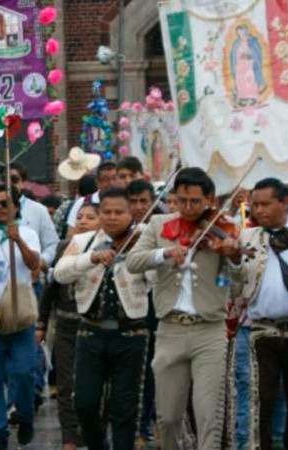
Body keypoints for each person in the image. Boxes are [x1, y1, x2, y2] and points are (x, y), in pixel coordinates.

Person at [125, 168, 235, 450]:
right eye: (182, 200)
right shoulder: (159, 224)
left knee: (207, 412)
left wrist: (233, 255)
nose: (187, 208)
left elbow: (241, 278)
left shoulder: (225, 227)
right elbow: (133, 261)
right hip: (170, 328)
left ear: (209, 199)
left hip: (209, 329)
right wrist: (164, 254)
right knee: (168, 415)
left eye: (195, 202)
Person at [54, 188, 150, 450]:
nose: (112, 217)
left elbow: (156, 279)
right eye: (106, 212)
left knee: (125, 406)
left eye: (119, 212)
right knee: (84, 402)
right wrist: (91, 258)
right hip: (90, 333)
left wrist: (143, 255)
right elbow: (60, 273)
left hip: (130, 334)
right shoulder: (84, 241)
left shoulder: (143, 240)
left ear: (131, 213)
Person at [226, 178, 288, 450]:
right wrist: (232, 259)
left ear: (285, 202)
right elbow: (236, 285)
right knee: (256, 402)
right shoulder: (245, 237)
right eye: (255, 205)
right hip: (257, 330)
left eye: (266, 204)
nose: (259, 211)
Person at [0, 184, 41, 450]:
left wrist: (19, 242)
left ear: (16, 206)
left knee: (25, 372)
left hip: (19, 315)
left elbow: (35, 264)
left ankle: (25, 416)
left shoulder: (27, 232)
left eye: (5, 203)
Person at [37, 202, 100, 450]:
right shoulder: (65, 248)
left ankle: (91, 431)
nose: (83, 221)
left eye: (90, 217)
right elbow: (50, 290)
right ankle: (69, 438)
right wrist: (41, 323)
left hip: (93, 327)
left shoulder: (107, 248)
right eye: (80, 217)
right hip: (65, 327)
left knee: (90, 386)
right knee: (65, 385)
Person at [125, 178, 161, 445]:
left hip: (153, 309)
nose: (139, 207)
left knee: (151, 370)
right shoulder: (117, 228)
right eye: (133, 202)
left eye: (144, 202)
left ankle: (149, 424)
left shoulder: (160, 229)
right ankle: (134, 426)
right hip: (126, 310)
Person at [65, 161, 118, 230]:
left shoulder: (126, 201)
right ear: (97, 183)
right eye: (106, 179)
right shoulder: (83, 202)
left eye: (114, 178)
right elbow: (71, 231)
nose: (111, 183)